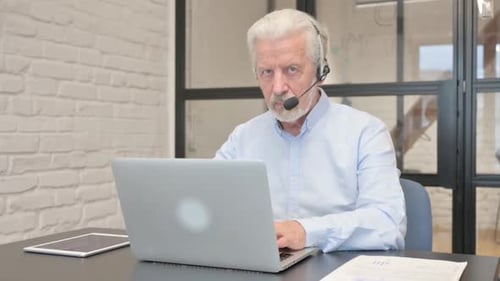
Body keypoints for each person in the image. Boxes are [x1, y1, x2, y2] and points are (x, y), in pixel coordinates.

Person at [215, 9, 406, 253]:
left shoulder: (366, 133)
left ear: (320, 71)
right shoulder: (242, 138)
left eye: (292, 69)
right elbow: (210, 207)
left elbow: (387, 225)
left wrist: (306, 232)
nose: (278, 88)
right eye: (267, 72)